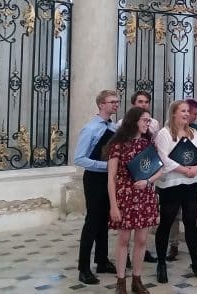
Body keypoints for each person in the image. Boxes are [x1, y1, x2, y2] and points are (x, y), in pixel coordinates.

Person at [153, 100, 197, 284]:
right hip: (171, 185)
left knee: (190, 222)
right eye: (183, 111)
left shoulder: (193, 133)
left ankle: (196, 260)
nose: (187, 114)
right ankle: (161, 263)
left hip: (191, 183)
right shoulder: (164, 134)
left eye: (188, 111)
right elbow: (163, 158)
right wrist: (184, 170)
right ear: (173, 113)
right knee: (166, 222)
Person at [106, 107, 164, 294]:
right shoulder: (118, 145)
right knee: (123, 239)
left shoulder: (148, 144)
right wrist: (113, 206)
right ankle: (121, 281)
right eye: (145, 120)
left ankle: (137, 280)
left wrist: (148, 181)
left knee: (141, 240)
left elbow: (160, 169)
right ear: (134, 121)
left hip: (144, 196)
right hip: (124, 197)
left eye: (149, 121)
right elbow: (111, 178)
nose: (148, 124)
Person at [74, 89, 119, 285]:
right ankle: (83, 268)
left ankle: (102, 260)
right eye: (111, 102)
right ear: (101, 104)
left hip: (109, 178)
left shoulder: (114, 127)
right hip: (94, 178)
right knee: (92, 222)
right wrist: (106, 166)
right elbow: (79, 158)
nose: (115, 105)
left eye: (117, 102)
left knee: (104, 220)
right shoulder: (91, 128)